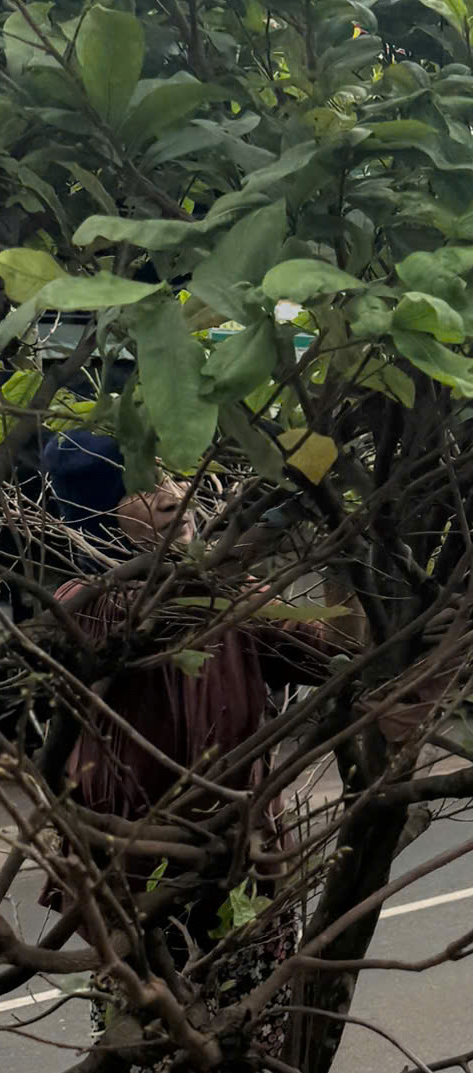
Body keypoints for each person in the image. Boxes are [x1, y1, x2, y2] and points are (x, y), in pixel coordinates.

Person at [36, 431, 337, 1061]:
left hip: (244, 870)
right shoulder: (82, 607)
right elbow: (157, 614)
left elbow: (332, 652)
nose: (176, 497)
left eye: (176, 476)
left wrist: (351, 540)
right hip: (138, 888)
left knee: (257, 1048)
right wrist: (278, 517)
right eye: (145, 485)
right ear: (97, 514)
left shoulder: (231, 596)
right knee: (157, 1050)